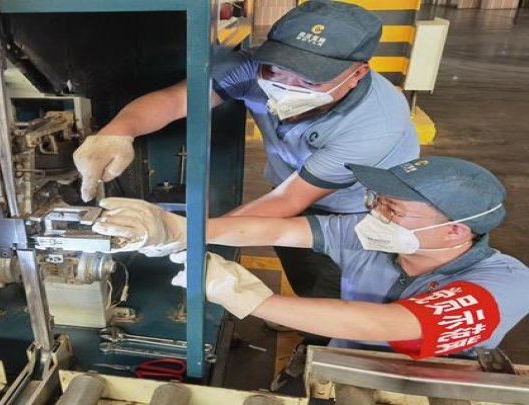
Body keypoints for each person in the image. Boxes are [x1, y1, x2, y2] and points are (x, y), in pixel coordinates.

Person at [73, 0, 420, 353]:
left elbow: (290, 200)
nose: (286, 84)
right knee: (300, 267)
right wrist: (118, 132)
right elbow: (175, 100)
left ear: (357, 74)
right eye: (277, 69)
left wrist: (185, 233)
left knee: (337, 288)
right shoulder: (253, 67)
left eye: (309, 78)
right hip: (290, 186)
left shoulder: (375, 125)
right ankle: (302, 316)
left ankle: (322, 348)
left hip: (357, 211)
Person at [92, 156, 529, 367]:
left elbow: (390, 324)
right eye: (377, 200)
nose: (376, 214)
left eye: (393, 209)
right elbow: (278, 230)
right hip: (340, 366)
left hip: (420, 386)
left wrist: (249, 298)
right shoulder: (370, 233)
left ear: (455, 231)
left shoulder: (507, 284)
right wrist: (179, 229)